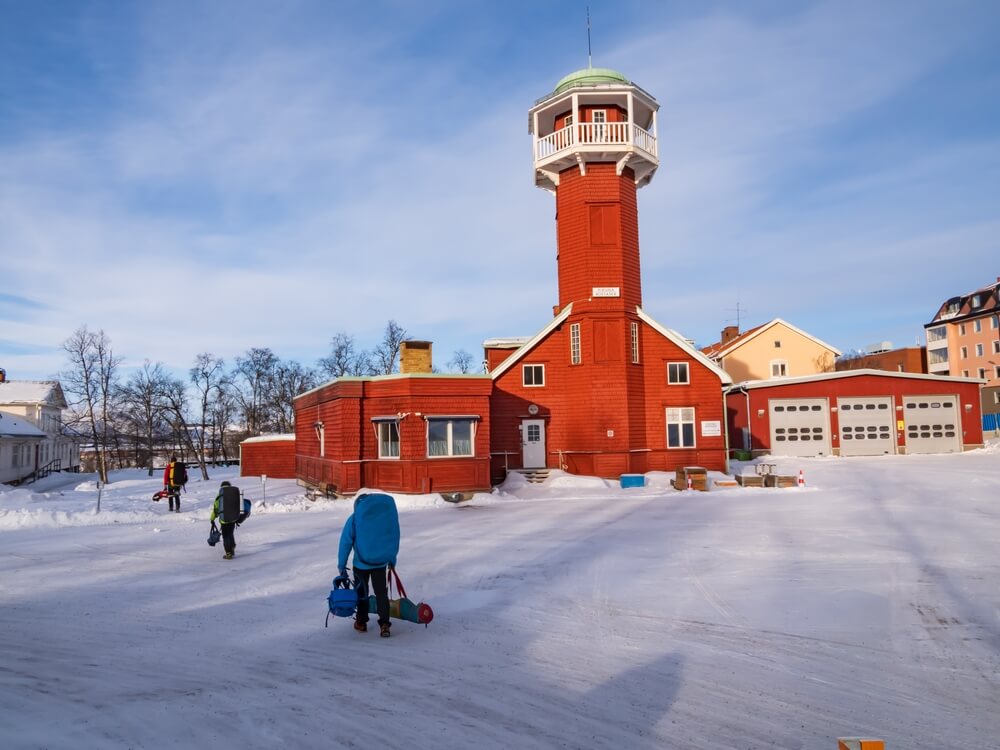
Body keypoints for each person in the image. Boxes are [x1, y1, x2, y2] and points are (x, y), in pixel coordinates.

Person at [338, 493, 399, 638]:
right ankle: (384, 624)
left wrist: (341, 565)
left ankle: (361, 622)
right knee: (381, 594)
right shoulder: (383, 521)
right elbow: (392, 538)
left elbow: (345, 543)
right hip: (380, 563)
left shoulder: (354, 519)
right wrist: (392, 560)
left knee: (361, 594)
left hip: (361, 564)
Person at [210, 480, 250, 560]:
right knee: (230, 533)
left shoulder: (220, 496)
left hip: (224, 520)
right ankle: (232, 546)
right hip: (233, 519)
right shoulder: (234, 495)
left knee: (226, 536)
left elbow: (216, 509)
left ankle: (228, 553)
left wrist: (212, 518)